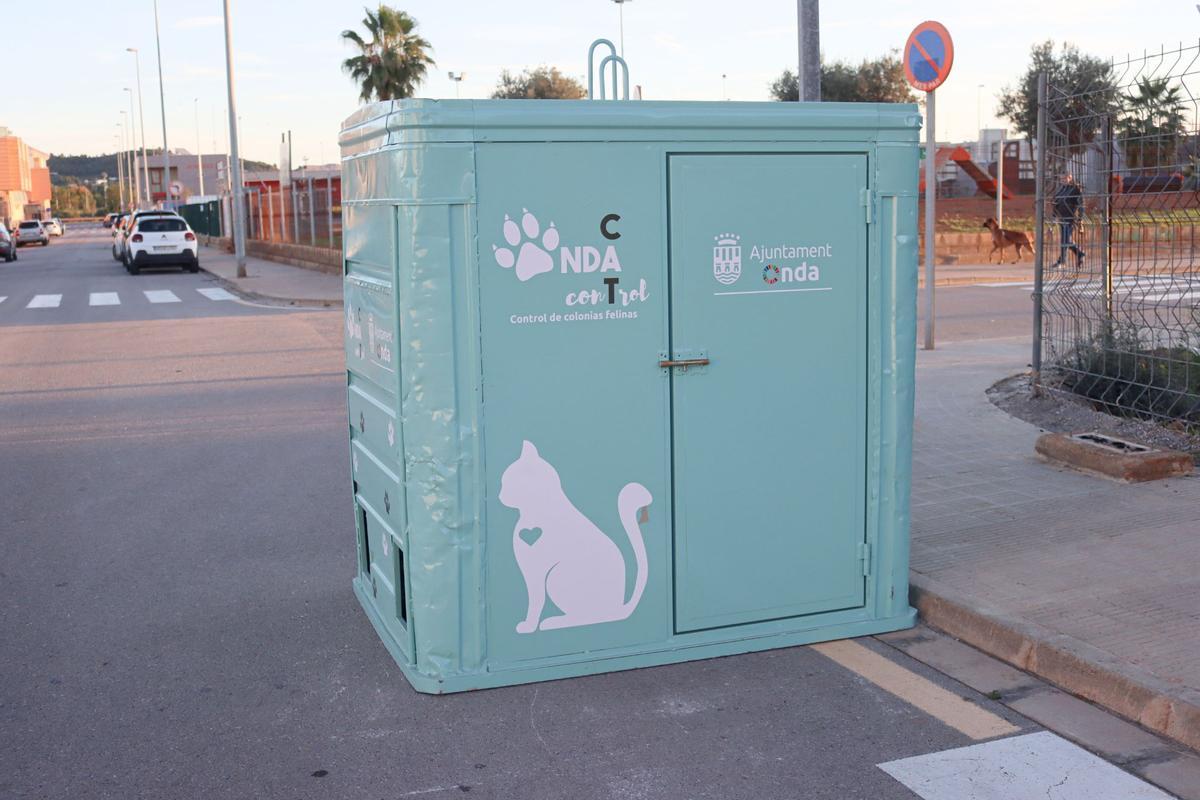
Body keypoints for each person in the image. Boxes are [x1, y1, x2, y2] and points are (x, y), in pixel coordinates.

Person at [1052, 172, 1085, 269]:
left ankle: (1063, 261)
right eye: (1061, 179)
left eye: (1065, 179)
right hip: (1061, 219)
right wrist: (1054, 217)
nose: (1063, 181)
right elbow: (1056, 204)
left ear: (1070, 178)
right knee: (1065, 240)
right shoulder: (1061, 190)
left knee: (1066, 240)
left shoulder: (1075, 189)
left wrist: (1080, 219)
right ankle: (1079, 254)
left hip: (1071, 218)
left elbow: (1081, 205)